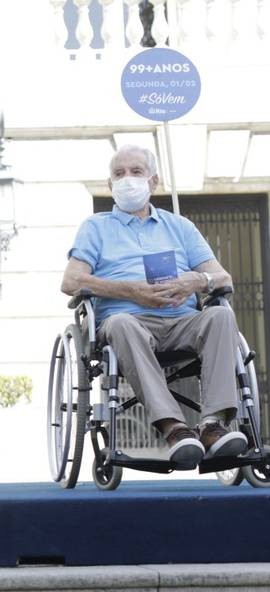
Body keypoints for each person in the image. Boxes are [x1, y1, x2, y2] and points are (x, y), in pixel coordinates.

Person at [61, 144, 246, 470]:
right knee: (120, 323)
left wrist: (196, 281)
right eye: (119, 174)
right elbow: (72, 282)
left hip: (182, 322)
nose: (127, 179)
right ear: (110, 185)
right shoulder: (97, 227)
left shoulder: (180, 227)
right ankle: (174, 428)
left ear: (153, 181)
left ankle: (213, 425)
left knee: (220, 315)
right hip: (126, 323)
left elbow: (222, 277)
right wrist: (130, 291)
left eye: (136, 172)